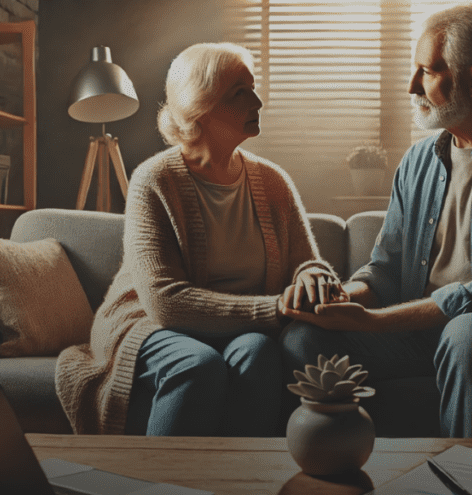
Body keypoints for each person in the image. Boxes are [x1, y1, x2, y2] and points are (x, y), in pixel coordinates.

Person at [280, 4, 472, 437]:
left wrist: (376, 322)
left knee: (469, 333)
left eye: (427, 71)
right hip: (424, 332)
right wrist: (339, 299)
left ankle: (469, 492)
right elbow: (385, 270)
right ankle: (345, 477)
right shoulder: (419, 160)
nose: (411, 85)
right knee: (301, 338)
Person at [56, 43, 342, 436]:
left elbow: (304, 262)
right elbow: (165, 303)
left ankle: (243, 490)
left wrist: (313, 275)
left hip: (240, 329)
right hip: (150, 323)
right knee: (197, 364)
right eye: (240, 93)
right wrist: (274, 309)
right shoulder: (153, 180)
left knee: (259, 354)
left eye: (253, 88)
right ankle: (162, 493)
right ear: (200, 108)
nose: (257, 101)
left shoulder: (273, 181)